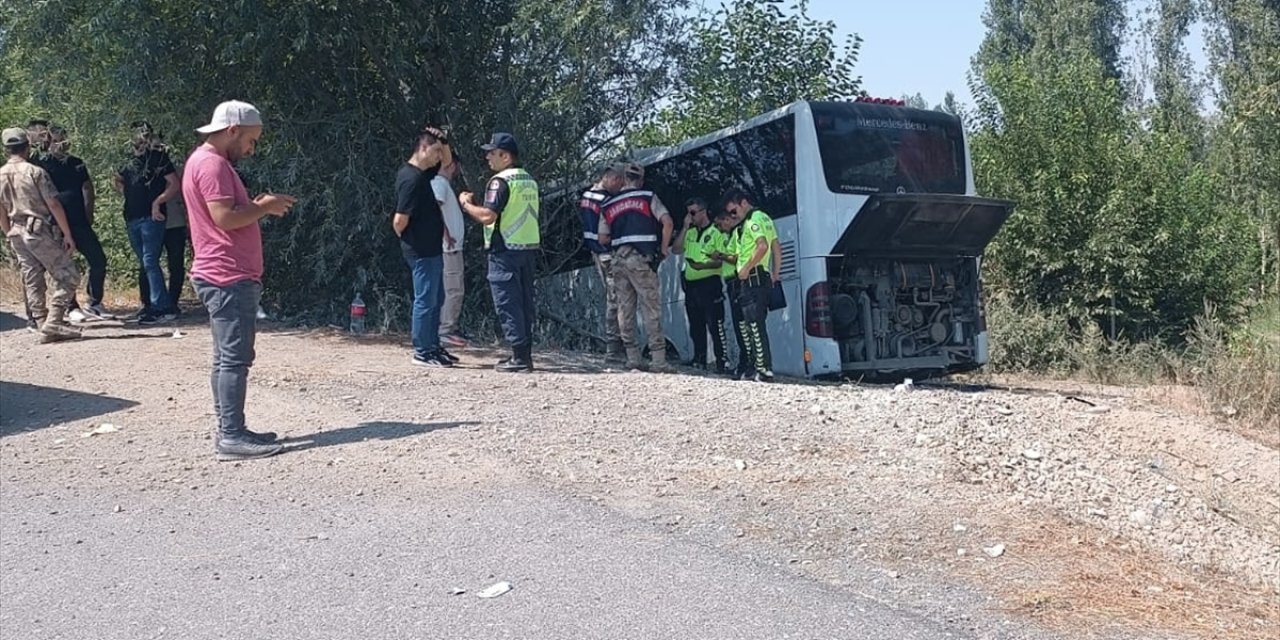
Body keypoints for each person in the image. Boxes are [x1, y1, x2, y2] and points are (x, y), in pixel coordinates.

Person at [183, 100, 296, 461]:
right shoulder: (212, 164)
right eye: (250, 140)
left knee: (226, 358)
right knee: (234, 359)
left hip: (224, 273)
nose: (251, 148)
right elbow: (225, 218)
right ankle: (230, 436)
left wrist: (258, 204)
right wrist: (264, 206)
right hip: (226, 275)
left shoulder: (206, 162)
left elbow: (228, 214)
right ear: (231, 131)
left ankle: (232, 428)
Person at [458, 132, 540, 372]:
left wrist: (465, 204)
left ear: (505, 156)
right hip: (526, 249)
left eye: (492, 153)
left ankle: (519, 358)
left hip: (504, 249)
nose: (487, 157)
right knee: (524, 303)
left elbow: (487, 216)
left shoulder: (500, 181)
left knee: (507, 302)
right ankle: (524, 355)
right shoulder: (528, 180)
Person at [0, 126, 82, 343]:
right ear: (27, 146)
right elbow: (53, 203)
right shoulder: (35, 172)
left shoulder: (0, 175)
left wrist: (8, 232)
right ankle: (53, 322)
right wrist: (67, 234)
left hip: (16, 231)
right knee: (69, 275)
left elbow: (0, 210)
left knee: (32, 277)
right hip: (38, 230)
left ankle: (40, 321)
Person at [598, 162, 673, 372]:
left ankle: (633, 358)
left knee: (625, 309)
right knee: (651, 308)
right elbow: (667, 222)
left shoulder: (608, 205)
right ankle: (658, 360)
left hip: (618, 261)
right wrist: (664, 248)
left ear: (623, 179)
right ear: (640, 179)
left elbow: (603, 238)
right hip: (641, 259)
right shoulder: (648, 197)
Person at [34, 125, 111, 321]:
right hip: (56, 223)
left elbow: (87, 186)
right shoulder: (42, 164)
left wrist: (89, 212)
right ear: (49, 142)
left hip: (79, 221)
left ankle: (94, 303)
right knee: (65, 266)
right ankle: (71, 306)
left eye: (64, 139)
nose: (62, 144)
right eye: (57, 140)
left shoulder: (77, 163)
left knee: (98, 260)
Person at [394, 127, 453, 367]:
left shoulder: (423, 174)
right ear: (424, 148)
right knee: (425, 300)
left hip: (432, 249)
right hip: (420, 250)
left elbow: (448, 165)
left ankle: (433, 345)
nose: (440, 156)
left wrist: (444, 141)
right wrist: (409, 238)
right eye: (436, 151)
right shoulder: (411, 178)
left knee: (436, 298)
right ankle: (422, 350)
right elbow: (399, 220)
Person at [115, 121, 180, 324]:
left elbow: (174, 183)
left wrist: (158, 201)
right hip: (131, 217)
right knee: (145, 262)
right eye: (136, 133)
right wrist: (125, 192)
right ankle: (153, 305)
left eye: (143, 133)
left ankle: (162, 307)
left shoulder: (158, 157)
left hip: (153, 218)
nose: (139, 137)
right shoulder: (125, 160)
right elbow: (117, 179)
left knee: (150, 261)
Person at [722, 188, 779, 382]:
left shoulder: (753, 220)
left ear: (743, 203)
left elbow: (763, 246)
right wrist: (775, 273)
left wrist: (746, 268)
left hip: (752, 278)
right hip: (760, 276)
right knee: (749, 324)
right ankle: (754, 367)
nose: (733, 215)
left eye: (734, 211)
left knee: (754, 325)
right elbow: (776, 247)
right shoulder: (766, 219)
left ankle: (763, 369)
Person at [673, 197, 727, 372]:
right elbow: (676, 249)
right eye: (688, 213)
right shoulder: (690, 232)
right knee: (696, 325)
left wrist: (702, 265)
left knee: (715, 324)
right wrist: (684, 227)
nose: (691, 216)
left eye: (693, 213)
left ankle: (721, 361)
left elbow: (720, 262)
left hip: (710, 284)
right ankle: (699, 358)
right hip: (691, 286)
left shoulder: (716, 232)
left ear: (703, 211)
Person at [580, 165, 625, 361]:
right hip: (607, 253)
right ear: (610, 178)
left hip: (595, 253)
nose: (620, 186)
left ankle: (615, 346)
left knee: (613, 298)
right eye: (619, 182)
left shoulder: (586, 197)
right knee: (616, 300)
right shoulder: (606, 201)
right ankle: (614, 348)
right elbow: (610, 231)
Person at [431, 128, 467, 348]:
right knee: (454, 289)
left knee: (454, 288)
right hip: (449, 247)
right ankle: (446, 329)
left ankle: (449, 327)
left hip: (451, 245)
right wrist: (447, 236)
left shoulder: (443, 185)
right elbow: (434, 210)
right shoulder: (439, 184)